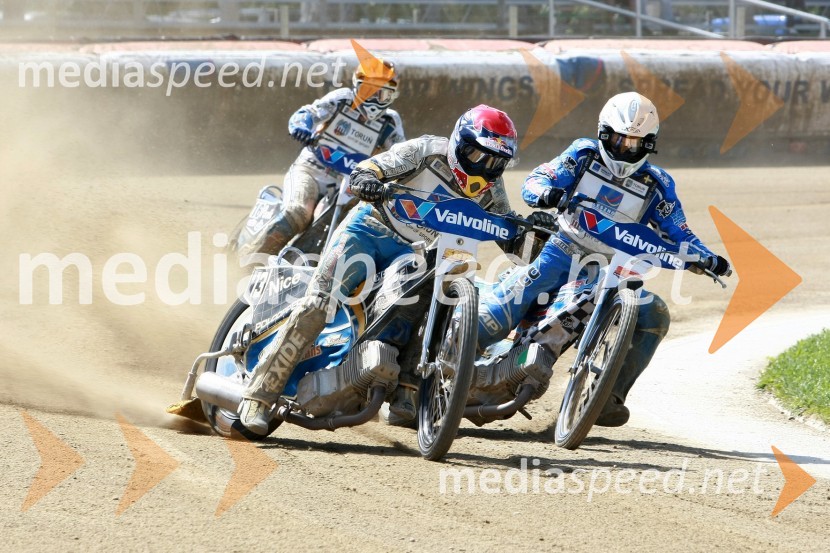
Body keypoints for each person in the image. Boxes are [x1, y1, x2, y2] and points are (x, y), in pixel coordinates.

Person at [237, 105, 521, 434]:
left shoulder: (492, 189)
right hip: (368, 230)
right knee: (318, 305)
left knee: (428, 301)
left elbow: (510, 235)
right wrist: (367, 180)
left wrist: (533, 230)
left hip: (413, 253)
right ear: (459, 142)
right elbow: (370, 167)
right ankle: (259, 395)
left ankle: (406, 390)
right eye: (477, 154)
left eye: (495, 162)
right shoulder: (426, 150)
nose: (484, 167)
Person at [478, 92, 731, 427]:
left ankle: (606, 397)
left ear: (649, 144)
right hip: (561, 248)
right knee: (521, 292)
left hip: (609, 268)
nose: (625, 148)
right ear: (603, 133)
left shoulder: (658, 184)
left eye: (634, 143)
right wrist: (547, 193)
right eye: (618, 139)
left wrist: (708, 258)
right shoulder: (582, 154)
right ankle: (459, 351)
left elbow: (680, 232)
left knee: (655, 312)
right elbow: (538, 179)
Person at [252, 59, 406, 256]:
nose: (375, 99)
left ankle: (297, 262)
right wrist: (302, 126)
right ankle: (251, 259)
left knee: (332, 227)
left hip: (348, 185)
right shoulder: (341, 100)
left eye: (383, 93)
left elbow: (400, 154)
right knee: (299, 212)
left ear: (393, 95)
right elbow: (309, 112)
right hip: (311, 169)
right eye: (369, 90)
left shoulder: (390, 122)